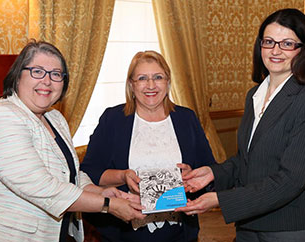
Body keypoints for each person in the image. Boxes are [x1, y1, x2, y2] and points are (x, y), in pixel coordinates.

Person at [176, 8, 305, 242]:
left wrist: (220, 200)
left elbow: (291, 180)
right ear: (260, 46)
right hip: (249, 224)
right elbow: (246, 159)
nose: (275, 51)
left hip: (291, 228)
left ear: (303, 49)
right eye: (269, 42)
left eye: (287, 43)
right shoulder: (254, 94)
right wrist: (211, 174)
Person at [0, 40, 145, 242]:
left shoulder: (54, 118)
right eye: (37, 71)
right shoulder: (3, 116)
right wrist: (108, 204)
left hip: (58, 233)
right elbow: (43, 188)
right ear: (18, 76)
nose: (47, 81)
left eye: (56, 74)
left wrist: (99, 191)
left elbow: (71, 172)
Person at [80, 50, 216, 242]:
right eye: (142, 78)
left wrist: (192, 174)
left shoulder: (186, 118)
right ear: (131, 85)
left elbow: (211, 170)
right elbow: (89, 171)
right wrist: (123, 175)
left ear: (168, 83)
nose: (150, 85)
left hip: (180, 232)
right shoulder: (113, 119)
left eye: (158, 77)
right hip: (124, 232)